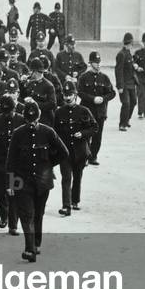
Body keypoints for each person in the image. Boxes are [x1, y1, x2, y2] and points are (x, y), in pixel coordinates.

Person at [6, 101, 68, 262]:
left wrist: (48, 164)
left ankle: (37, 243)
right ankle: (30, 249)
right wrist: (11, 184)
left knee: (38, 214)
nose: (32, 124)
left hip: (43, 181)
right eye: (28, 121)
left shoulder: (48, 132)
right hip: (22, 180)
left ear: (39, 118)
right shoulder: (18, 133)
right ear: (25, 119)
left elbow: (63, 152)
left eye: (34, 121)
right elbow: (11, 160)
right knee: (27, 215)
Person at [53, 82, 97, 216]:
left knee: (77, 176)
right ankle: (66, 206)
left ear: (75, 95)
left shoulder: (84, 111)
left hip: (80, 152)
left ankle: (75, 200)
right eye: (65, 95)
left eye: (70, 95)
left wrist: (83, 134)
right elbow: (54, 132)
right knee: (66, 178)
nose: (67, 98)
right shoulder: (59, 112)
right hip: (65, 152)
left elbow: (94, 127)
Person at [0, 84, 23, 235]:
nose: (8, 114)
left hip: (15, 164)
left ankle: (13, 224)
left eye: (10, 111)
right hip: (0, 163)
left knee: (14, 193)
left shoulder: (21, 120)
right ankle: (4, 212)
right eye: (5, 111)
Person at [77, 51, 116, 165]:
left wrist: (103, 99)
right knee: (86, 135)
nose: (98, 64)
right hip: (87, 111)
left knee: (97, 136)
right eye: (95, 62)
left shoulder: (104, 78)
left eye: (99, 62)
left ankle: (93, 156)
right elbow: (80, 92)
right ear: (90, 63)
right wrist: (92, 98)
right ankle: (85, 156)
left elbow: (112, 93)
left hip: (100, 112)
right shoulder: (84, 77)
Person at [114, 32, 138, 132]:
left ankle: (127, 119)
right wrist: (119, 86)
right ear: (129, 43)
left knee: (133, 101)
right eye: (131, 44)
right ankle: (122, 124)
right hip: (124, 84)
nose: (131, 46)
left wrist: (134, 66)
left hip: (131, 83)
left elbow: (129, 66)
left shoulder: (128, 53)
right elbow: (118, 71)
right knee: (126, 103)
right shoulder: (121, 54)